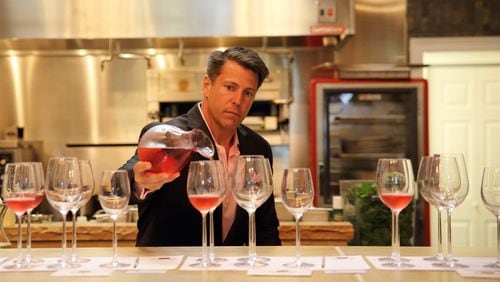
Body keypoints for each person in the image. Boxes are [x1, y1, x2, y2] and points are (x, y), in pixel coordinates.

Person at [120, 47, 281, 247]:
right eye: (230, 87)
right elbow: (118, 183)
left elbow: (266, 228)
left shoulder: (258, 148)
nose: (238, 101)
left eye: (248, 93)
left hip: (229, 275)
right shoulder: (169, 137)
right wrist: (138, 181)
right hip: (167, 273)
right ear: (207, 85)